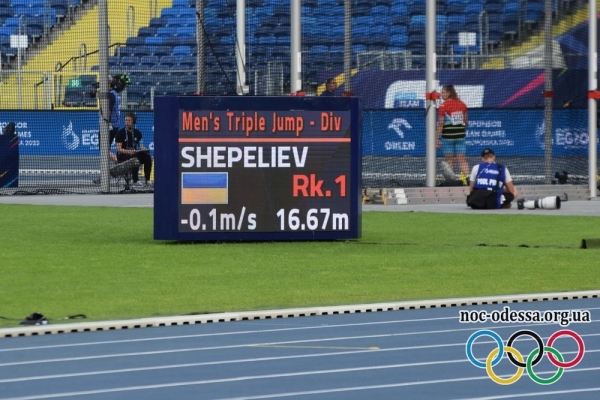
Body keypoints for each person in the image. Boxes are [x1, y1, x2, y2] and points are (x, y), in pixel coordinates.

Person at [436, 84, 469, 184]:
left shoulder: (443, 106)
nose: (441, 94)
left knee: (449, 160)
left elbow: (441, 123)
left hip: (447, 137)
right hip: (460, 136)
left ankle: (452, 182)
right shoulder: (462, 104)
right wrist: (460, 129)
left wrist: (436, 138)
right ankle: (467, 180)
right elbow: (466, 121)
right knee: (462, 160)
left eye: (443, 92)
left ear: (449, 93)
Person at [114, 112, 153, 187]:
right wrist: (129, 151)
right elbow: (119, 149)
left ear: (133, 121)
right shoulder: (120, 133)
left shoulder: (138, 133)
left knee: (147, 157)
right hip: (123, 156)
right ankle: (135, 180)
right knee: (135, 158)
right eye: (126, 120)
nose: (127, 122)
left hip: (134, 154)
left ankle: (147, 180)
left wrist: (145, 150)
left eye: (129, 120)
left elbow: (141, 146)